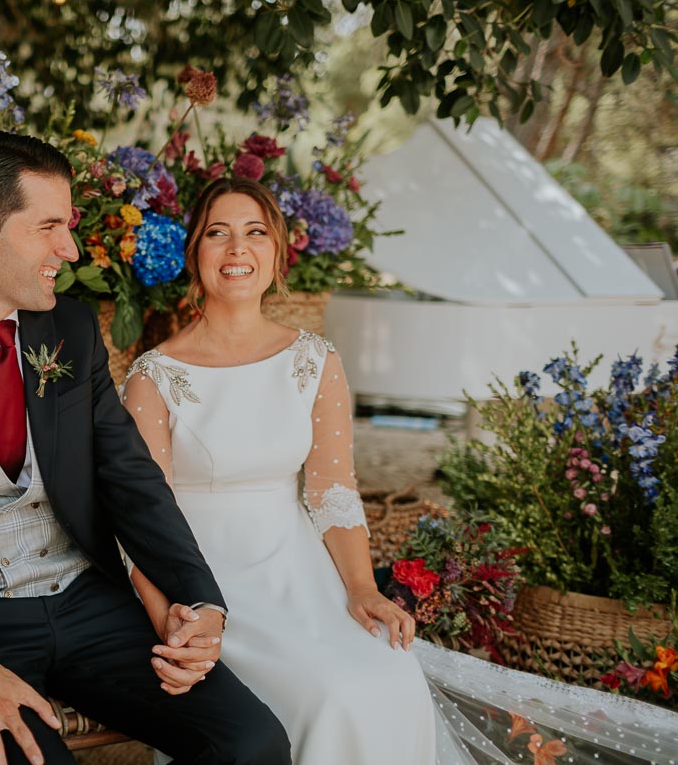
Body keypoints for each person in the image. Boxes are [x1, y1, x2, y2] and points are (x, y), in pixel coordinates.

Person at [122, 177, 678, 765]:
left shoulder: (316, 359)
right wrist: (172, 622)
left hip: (300, 572)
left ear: (278, 252)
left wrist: (362, 589)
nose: (238, 250)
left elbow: (333, 490)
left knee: (391, 676)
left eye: (255, 233)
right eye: (218, 234)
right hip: (210, 582)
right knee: (328, 696)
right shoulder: (154, 377)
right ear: (194, 255)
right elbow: (139, 520)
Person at [0, 133, 291, 765]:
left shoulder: (70, 329)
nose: (69, 249)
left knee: (254, 744)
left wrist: (199, 600)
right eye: (48, 227)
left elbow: (131, 478)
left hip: (89, 604)